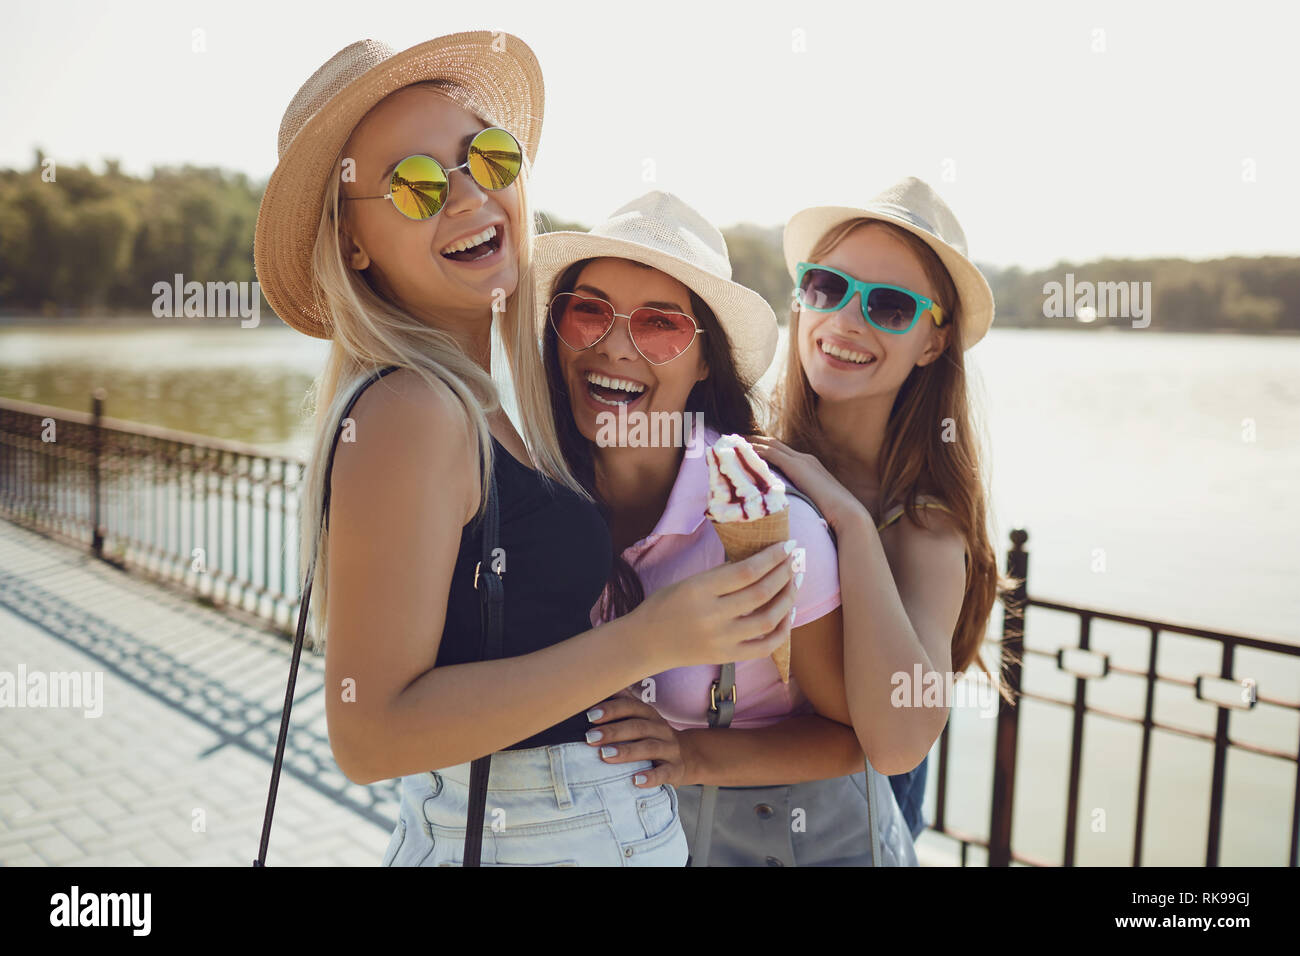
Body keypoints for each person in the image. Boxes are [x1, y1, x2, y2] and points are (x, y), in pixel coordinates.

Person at [253, 35, 798, 867]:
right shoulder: (413, 407)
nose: (467, 194)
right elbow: (370, 735)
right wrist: (652, 641)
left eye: (486, 155)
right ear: (353, 243)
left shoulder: (483, 402)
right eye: (413, 184)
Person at [535, 190, 920, 865]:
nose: (615, 346)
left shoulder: (775, 528)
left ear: (705, 360)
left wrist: (688, 753)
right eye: (588, 311)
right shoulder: (531, 495)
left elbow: (848, 737)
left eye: (660, 326)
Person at [753, 176, 1006, 840]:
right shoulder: (741, 450)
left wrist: (850, 521)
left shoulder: (925, 526)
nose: (845, 320)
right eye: (827, 287)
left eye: (890, 306)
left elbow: (897, 743)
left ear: (932, 343)